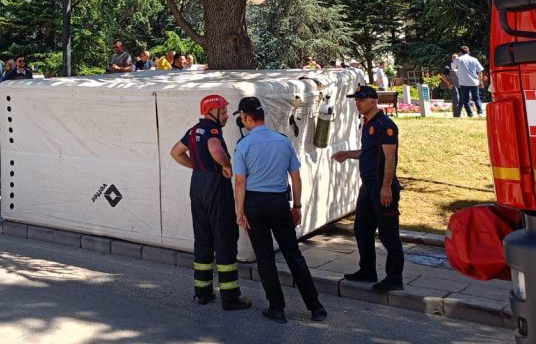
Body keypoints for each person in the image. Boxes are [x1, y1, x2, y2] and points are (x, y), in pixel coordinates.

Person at [232, 96, 326, 323]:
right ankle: (315, 307)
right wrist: (297, 206)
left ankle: (277, 307)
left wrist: (240, 212)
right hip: (279, 202)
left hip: (255, 204)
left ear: (246, 117)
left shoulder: (243, 145)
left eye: (242, 117)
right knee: (293, 254)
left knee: (265, 257)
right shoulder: (283, 142)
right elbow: (296, 177)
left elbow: (240, 182)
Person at [168, 94, 251, 311]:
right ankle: (230, 297)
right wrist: (226, 166)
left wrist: (197, 166)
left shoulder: (193, 130)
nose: (226, 116)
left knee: (203, 237)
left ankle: (203, 292)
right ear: (211, 111)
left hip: (197, 184)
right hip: (215, 186)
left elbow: (175, 153)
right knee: (224, 237)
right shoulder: (213, 131)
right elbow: (214, 148)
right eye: (223, 112)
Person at [332, 86, 404, 292]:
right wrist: (348, 154)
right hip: (368, 186)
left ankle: (394, 278)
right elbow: (369, 152)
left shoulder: (385, 125)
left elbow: (390, 158)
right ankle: (367, 270)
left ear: (373, 101)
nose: (358, 103)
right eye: (356, 100)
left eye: (361, 100)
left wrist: (386, 187)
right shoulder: (367, 123)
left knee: (389, 233)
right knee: (362, 229)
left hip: (382, 186)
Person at [456, 46, 485, 117]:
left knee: (466, 99)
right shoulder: (474, 59)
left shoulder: (458, 59)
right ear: (468, 52)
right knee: (476, 98)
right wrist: (480, 81)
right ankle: (480, 112)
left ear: (460, 52)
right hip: (474, 82)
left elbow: (453, 67)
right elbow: (480, 71)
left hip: (464, 82)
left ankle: (470, 114)